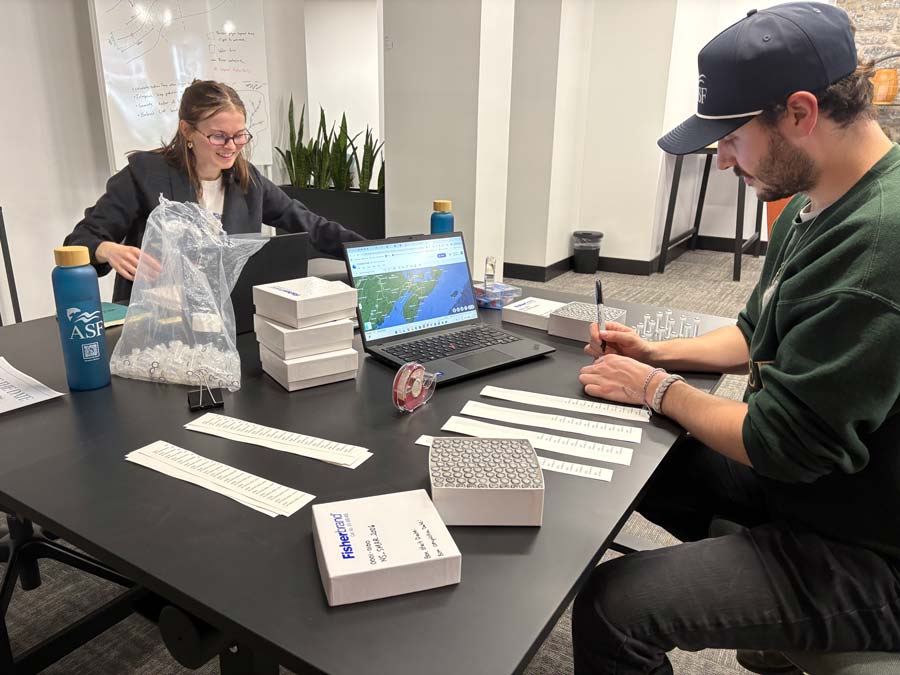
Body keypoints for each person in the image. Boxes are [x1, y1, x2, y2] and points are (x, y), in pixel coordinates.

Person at [572, 4, 900, 674]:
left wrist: (656, 388)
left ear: (800, 113)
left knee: (612, 607)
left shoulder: (879, 244)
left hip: (874, 551)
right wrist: (652, 353)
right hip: (825, 491)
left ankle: (773, 599)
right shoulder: (815, 205)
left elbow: (784, 441)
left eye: (729, 138)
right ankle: (752, 588)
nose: (722, 160)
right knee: (649, 459)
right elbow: (755, 333)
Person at [65, 79, 364, 303]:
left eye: (239, 136)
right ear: (187, 131)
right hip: (158, 324)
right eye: (218, 137)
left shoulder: (249, 182)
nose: (231, 147)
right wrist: (107, 249)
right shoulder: (144, 175)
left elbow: (312, 227)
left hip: (231, 319)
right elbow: (79, 240)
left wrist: (372, 254)